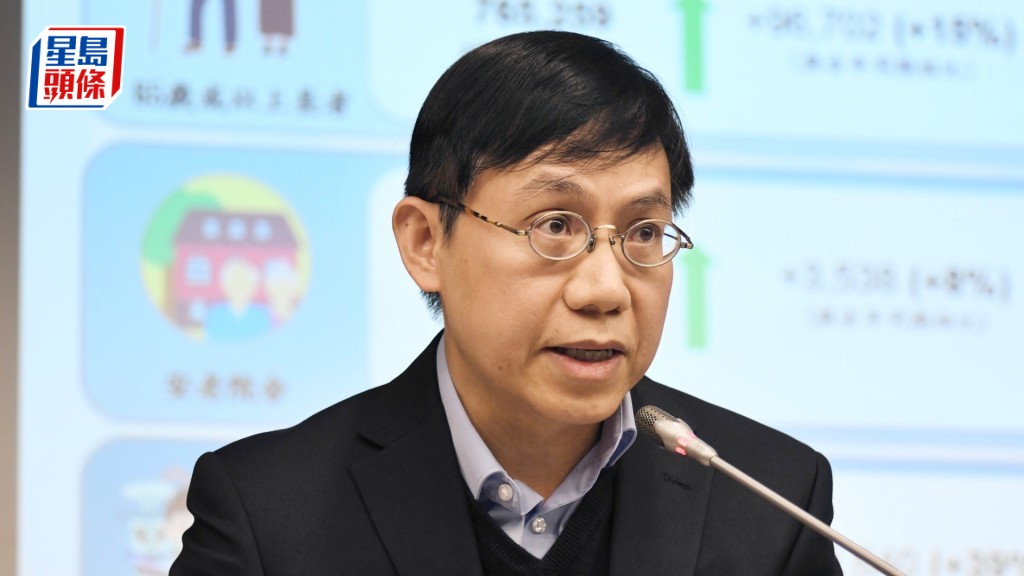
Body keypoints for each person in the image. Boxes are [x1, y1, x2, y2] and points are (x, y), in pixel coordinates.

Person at [170, 31, 842, 575]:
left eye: (642, 232)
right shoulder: (269, 516)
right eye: (555, 226)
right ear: (426, 242)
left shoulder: (773, 501)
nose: (605, 290)